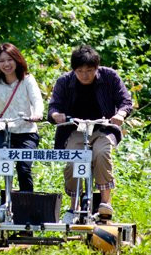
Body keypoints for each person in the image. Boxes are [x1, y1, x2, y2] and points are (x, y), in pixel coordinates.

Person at [47, 44, 133, 220]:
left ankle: (105, 203)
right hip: (75, 129)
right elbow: (53, 107)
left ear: (97, 67)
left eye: (89, 71)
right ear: (74, 70)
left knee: (102, 153)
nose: (85, 75)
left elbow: (125, 101)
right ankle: (74, 205)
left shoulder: (110, 77)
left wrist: (120, 114)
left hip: (103, 128)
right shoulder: (64, 82)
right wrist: (57, 115)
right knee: (74, 159)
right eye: (80, 71)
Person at [0, 43, 44, 202]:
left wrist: (37, 114)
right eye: (2, 61)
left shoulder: (27, 80)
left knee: (24, 167)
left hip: (26, 130)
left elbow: (37, 100)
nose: (6, 64)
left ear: (17, 60)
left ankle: (27, 202)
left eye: (10, 60)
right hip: (2, 128)